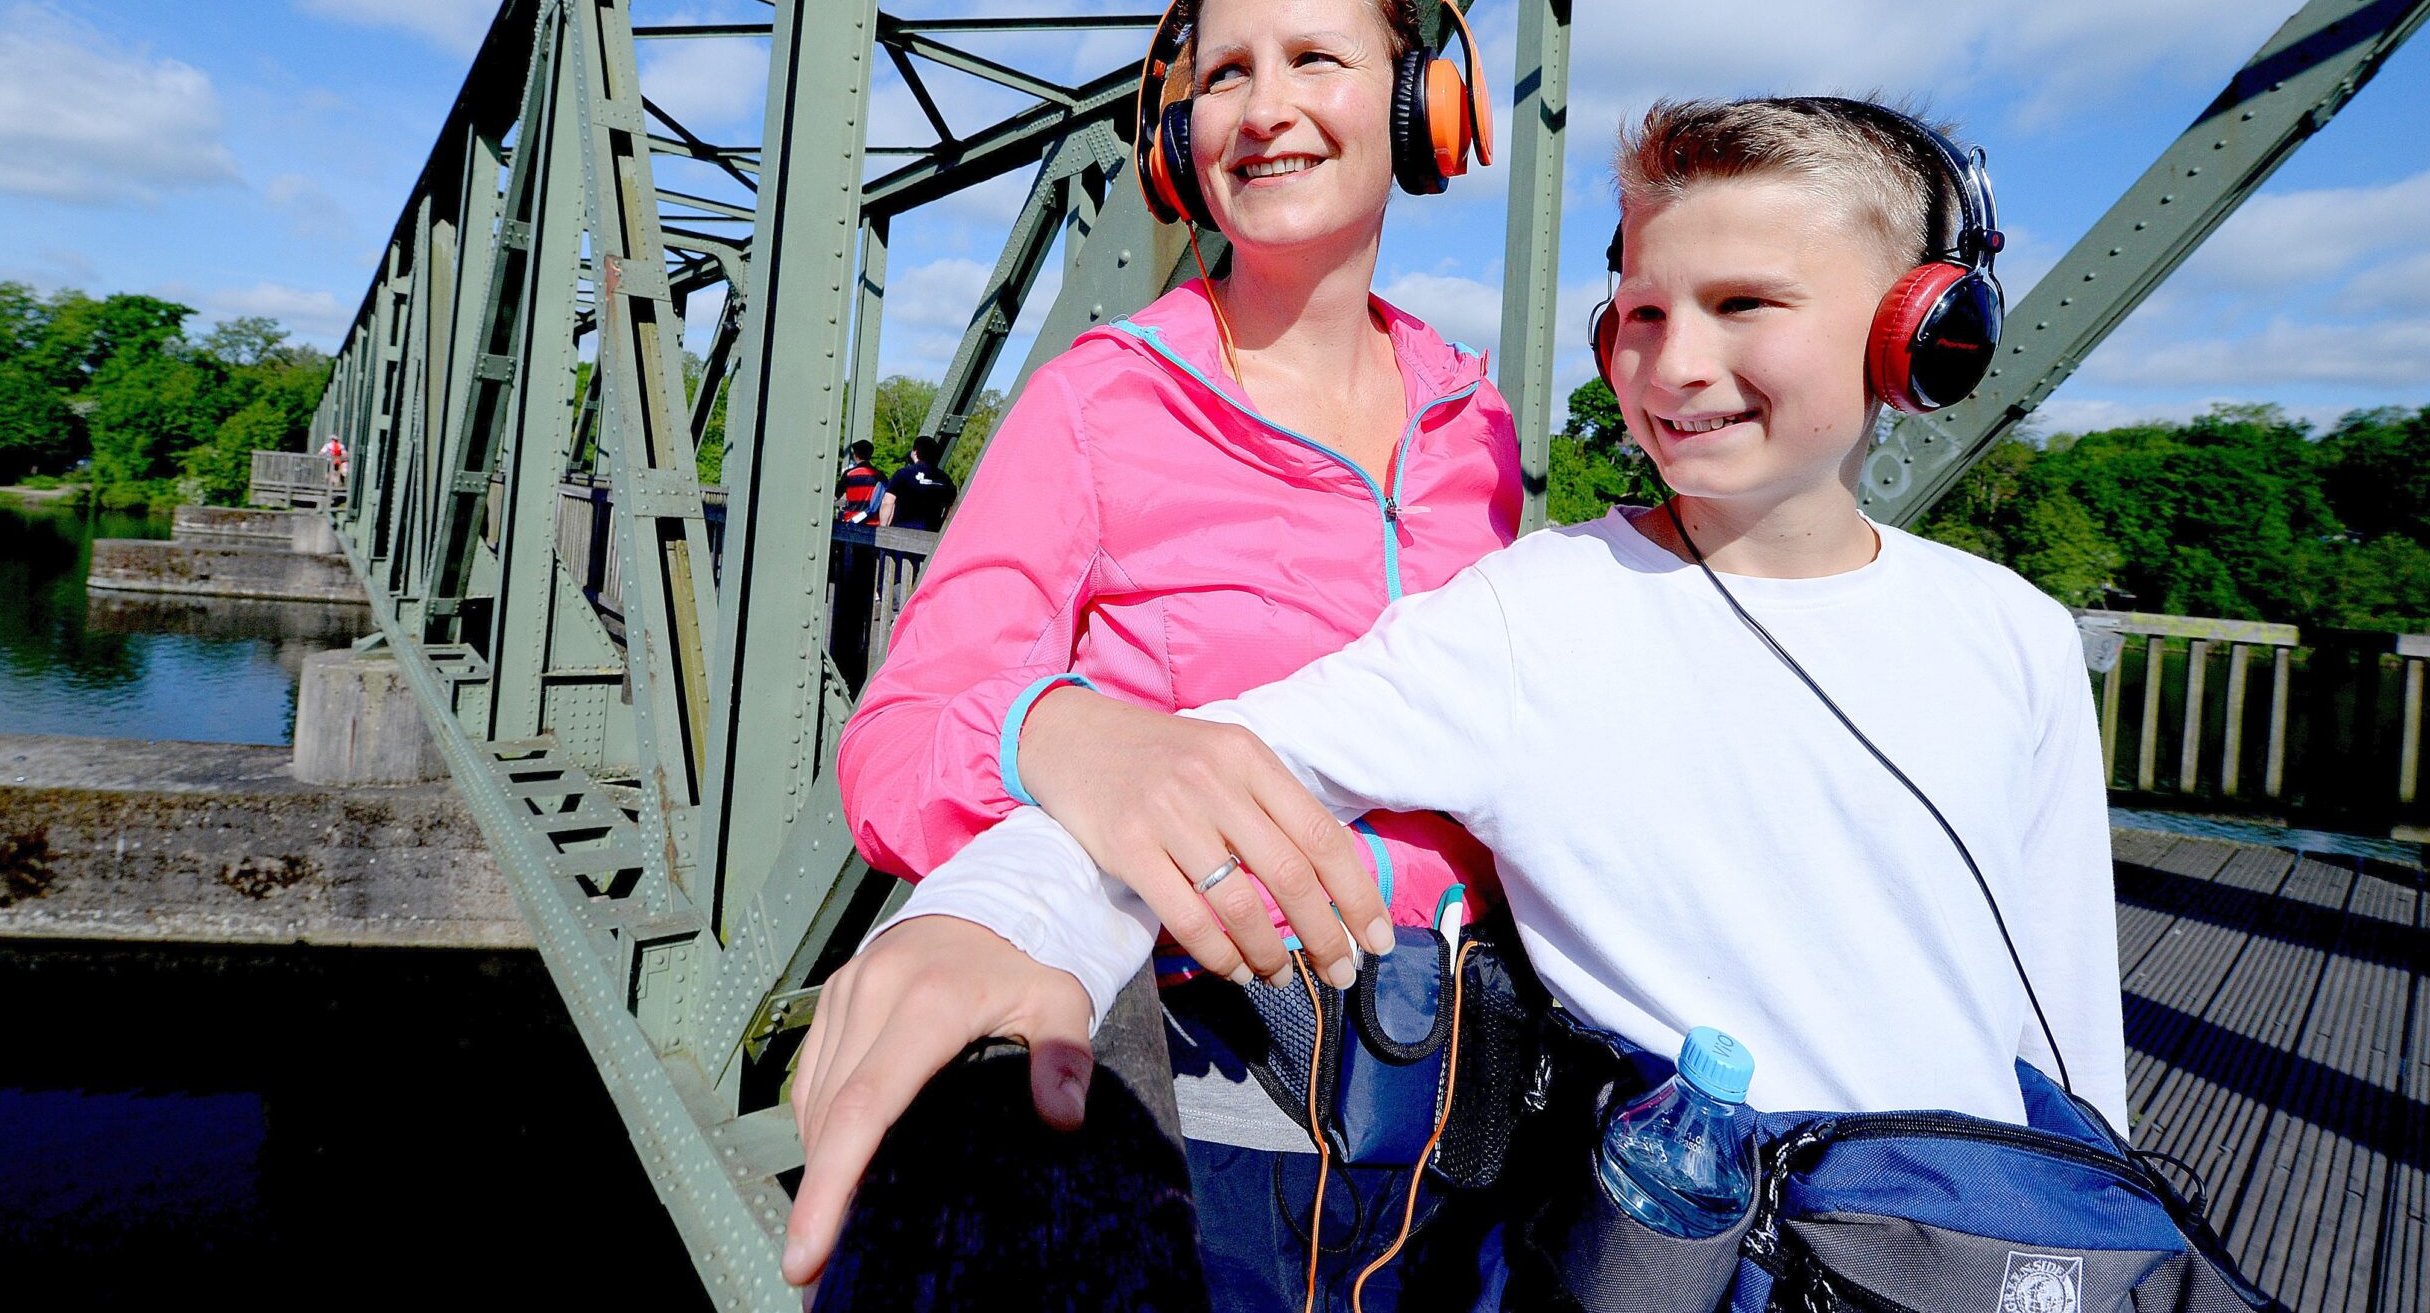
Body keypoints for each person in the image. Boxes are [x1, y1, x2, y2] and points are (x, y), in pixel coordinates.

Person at [796, 98, 2130, 1292]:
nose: (1671, 365)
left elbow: (2066, 1033)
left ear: (1919, 334)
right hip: (1691, 1258)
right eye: (1643, 313)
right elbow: (1221, 771)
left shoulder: (2013, 638)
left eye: (1745, 307)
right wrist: (994, 917)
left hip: (1985, 1254)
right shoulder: (1533, 618)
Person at [786, 0, 1521, 1305]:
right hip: (1211, 1111)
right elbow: (899, 737)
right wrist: (1065, 736)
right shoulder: (1098, 400)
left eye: (1317, 58)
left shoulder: (1474, 421)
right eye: (1225, 74)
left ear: (1427, 108)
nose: (1265, 109)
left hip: (1460, 1145)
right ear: (1180, 137)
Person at [875, 434, 959, 531]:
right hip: (931, 532)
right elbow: (951, 505)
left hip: (902, 530)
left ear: (915, 452)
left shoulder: (902, 474)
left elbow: (888, 502)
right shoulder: (944, 478)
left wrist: (883, 527)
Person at [835, 438, 885, 525]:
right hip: (872, 523)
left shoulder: (849, 474)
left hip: (851, 521)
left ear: (856, 455)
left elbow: (836, 496)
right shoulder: (880, 475)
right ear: (870, 455)